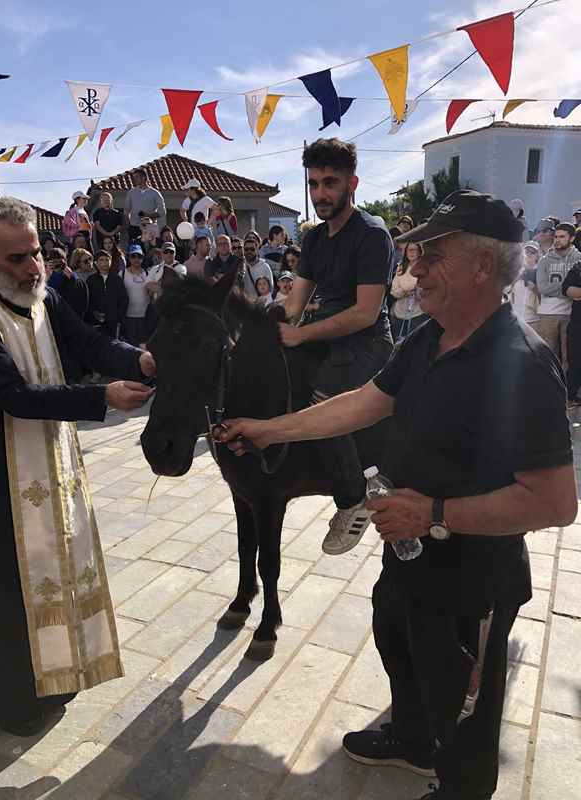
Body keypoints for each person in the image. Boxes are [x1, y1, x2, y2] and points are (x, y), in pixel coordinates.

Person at [217, 190, 577, 800]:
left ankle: (461, 787)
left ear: (482, 267)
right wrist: (269, 429)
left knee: (463, 706)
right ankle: (412, 740)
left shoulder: (523, 363)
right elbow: (363, 404)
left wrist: (434, 513)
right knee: (398, 642)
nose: (415, 271)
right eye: (416, 256)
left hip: (473, 582)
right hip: (410, 557)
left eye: (433, 257)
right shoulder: (428, 339)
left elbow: (556, 503)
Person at [0, 197, 156, 735]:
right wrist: (101, 398)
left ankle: (59, 678)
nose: (33, 267)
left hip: (50, 465)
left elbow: (90, 344)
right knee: (7, 592)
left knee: (58, 568)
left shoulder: (43, 298)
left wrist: (139, 359)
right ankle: (12, 702)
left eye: (36, 253)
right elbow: (12, 396)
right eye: (16, 259)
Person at [262, 138, 393, 554]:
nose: (320, 193)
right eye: (314, 183)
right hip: (324, 336)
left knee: (321, 398)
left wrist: (301, 334)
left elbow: (365, 314)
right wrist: (257, 328)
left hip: (366, 344)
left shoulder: (372, 234)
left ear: (352, 183)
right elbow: (294, 306)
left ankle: (354, 497)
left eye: (330, 183)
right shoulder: (316, 237)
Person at [535, 222, 580, 367]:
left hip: (571, 314)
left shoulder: (578, 259)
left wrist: (565, 289)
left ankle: (566, 383)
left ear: (572, 238)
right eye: (556, 237)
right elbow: (543, 287)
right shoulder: (544, 260)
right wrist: (568, 290)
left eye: (562, 237)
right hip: (547, 313)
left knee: (569, 359)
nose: (557, 240)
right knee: (547, 358)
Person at [389, 242, 428, 342]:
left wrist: (418, 291)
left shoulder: (425, 268)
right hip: (399, 313)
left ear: (419, 252)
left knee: (415, 343)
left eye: (414, 250)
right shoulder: (401, 267)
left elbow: (427, 291)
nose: (411, 252)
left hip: (418, 314)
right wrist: (406, 292)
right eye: (408, 250)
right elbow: (393, 291)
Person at [86, 250, 128, 338]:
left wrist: (118, 316)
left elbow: (124, 299)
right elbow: (88, 299)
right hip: (96, 321)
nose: (104, 262)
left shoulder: (117, 279)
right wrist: (94, 313)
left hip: (114, 322)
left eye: (107, 260)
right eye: (101, 260)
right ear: (96, 263)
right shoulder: (91, 280)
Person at [46, 247, 89, 323]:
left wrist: (71, 278)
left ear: (65, 261)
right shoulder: (45, 277)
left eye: (59, 261)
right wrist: (46, 277)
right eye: (54, 262)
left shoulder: (73, 277)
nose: (57, 265)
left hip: (71, 319)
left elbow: (82, 300)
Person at [124, 168, 166, 241]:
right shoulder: (131, 192)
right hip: (134, 228)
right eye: (134, 177)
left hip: (150, 227)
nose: (134, 179)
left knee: (149, 247)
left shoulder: (155, 193)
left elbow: (162, 212)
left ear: (144, 177)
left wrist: (147, 215)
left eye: (137, 177)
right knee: (135, 247)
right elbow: (126, 211)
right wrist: (127, 226)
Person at [561, 256, 581, 405]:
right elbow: (567, 289)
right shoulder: (578, 267)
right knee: (575, 361)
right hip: (577, 325)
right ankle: (571, 398)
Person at [122, 247, 150, 347]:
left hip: (146, 317)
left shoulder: (148, 273)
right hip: (128, 317)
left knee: (145, 347)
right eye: (133, 256)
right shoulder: (122, 273)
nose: (136, 259)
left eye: (139, 256)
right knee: (131, 347)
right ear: (129, 258)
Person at [509, 241, 541, 326]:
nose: (529, 254)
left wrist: (535, 288)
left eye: (533, 252)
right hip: (515, 320)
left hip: (533, 320)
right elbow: (507, 291)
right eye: (526, 252)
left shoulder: (541, 271)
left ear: (537, 255)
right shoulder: (515, 271)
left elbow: (547, 296)